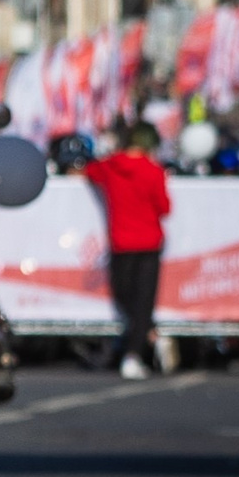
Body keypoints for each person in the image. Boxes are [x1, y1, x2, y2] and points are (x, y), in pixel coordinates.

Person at [85, 123, 171, 380]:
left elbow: (90, 171)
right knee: (143, 301)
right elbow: (164, 207)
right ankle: (139, 348)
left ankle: (146, 338)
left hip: (121, 242)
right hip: (149, 242)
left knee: (125, 296)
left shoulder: (111, 166)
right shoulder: (153, 170)